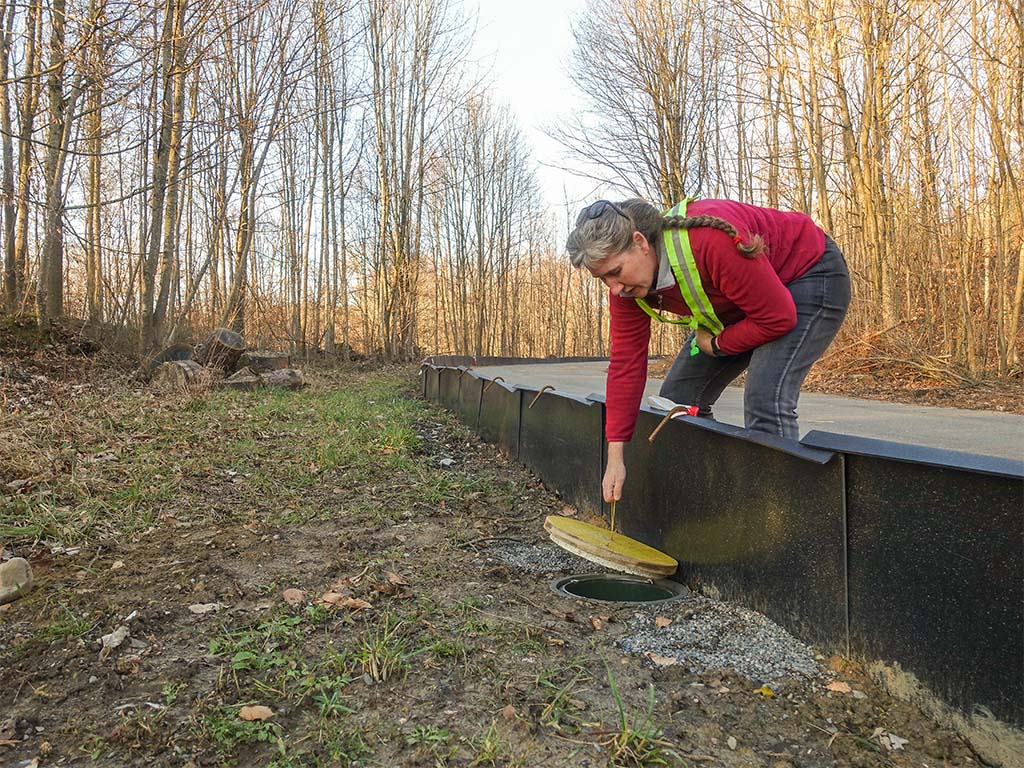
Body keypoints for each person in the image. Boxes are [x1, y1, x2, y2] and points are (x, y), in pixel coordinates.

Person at [565, 198, 851, 503]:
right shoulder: (626, 290)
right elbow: (626, 364)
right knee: (676, 404)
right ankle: (719, 501)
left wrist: (718, 345)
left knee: (765, 398)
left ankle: (779, 516)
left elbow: (777, 318)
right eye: (603, 279)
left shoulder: (709, 241)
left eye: (616, 271)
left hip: (807, 275)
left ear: (640, 243)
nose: (614, 288)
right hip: (742, 302)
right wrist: (615, 456)